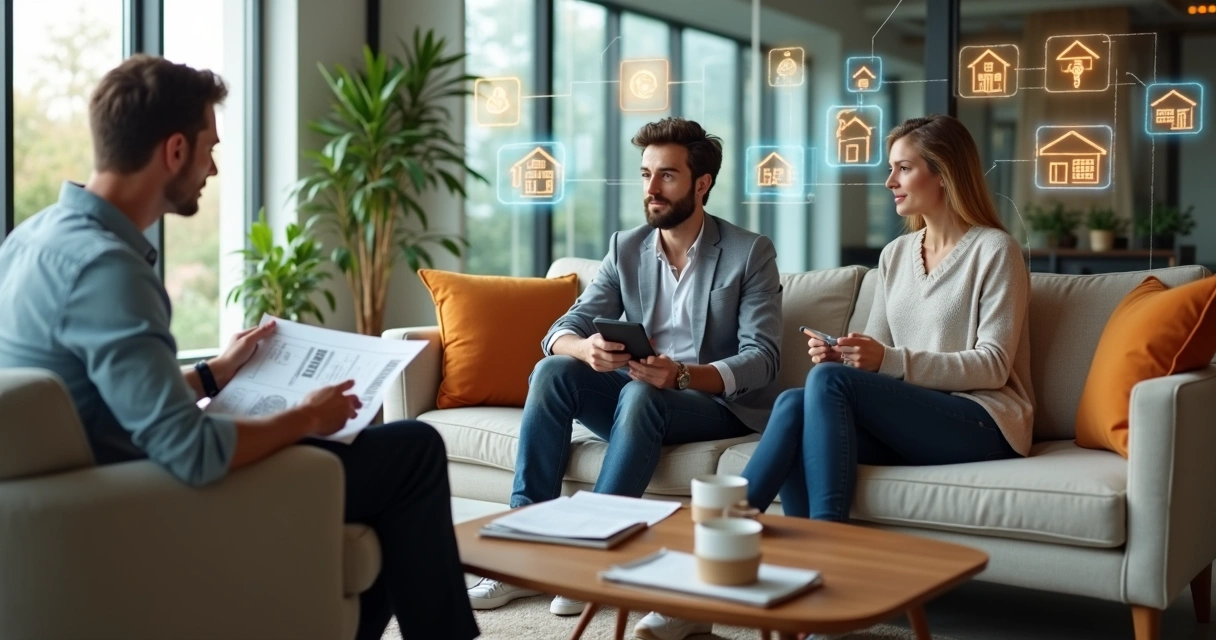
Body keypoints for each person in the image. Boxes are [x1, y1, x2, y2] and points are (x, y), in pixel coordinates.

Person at [0, 55, 478, 640]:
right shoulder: (109, 269)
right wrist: (306, 415)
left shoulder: (33, 239)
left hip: (95, 490)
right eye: (210, 148)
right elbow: (190, 450)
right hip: (145, 503)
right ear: (175, 151)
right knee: (413, 450)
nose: (213, 169)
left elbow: (103, 399)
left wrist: (213, 374)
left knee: (381, 489)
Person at [468, 117, 783, 639]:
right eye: (645, 175)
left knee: (642, 392)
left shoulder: (750, 252)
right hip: (637, 393)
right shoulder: (626, 246)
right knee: (553, 371)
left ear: (701, 183)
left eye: (667, 177)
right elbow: (561, 329)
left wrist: (682, 374)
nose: (652, 190)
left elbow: (763, 358)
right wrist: (584, 347)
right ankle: (521, 554)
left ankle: (587, 557)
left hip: (708, 402)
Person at [741, 114, 1033, 534]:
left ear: (944, 174)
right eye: (890, 168)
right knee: (795, 401)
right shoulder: (895, 255)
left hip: (985, 421)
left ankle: (823, 542)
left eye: (904, 168)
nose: (889, 181)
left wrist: (885, 360)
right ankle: (761, 543)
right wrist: (844, 354)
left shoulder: (995, 250)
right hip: (913, 417)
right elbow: (874, 353)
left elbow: (993, 366)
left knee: (826, 383)